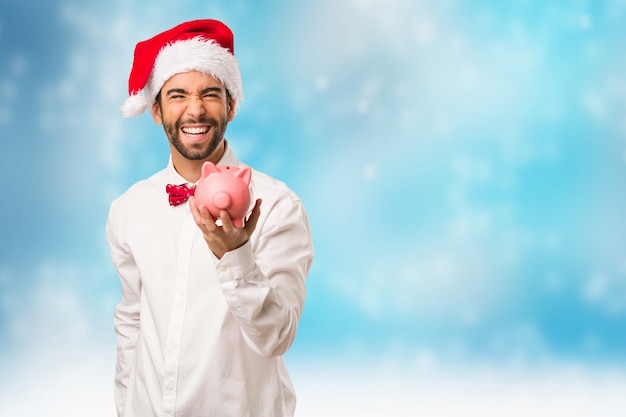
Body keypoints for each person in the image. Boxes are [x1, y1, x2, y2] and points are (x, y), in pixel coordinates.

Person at [105, 19, 314, 417]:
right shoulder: (129, 209)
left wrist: (237, 256)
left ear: (231, 106)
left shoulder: (277, 206)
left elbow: (277, 336)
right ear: (156, 110)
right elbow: (131, 323)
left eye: (210, 94)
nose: (195, 109)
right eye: (178, 94)